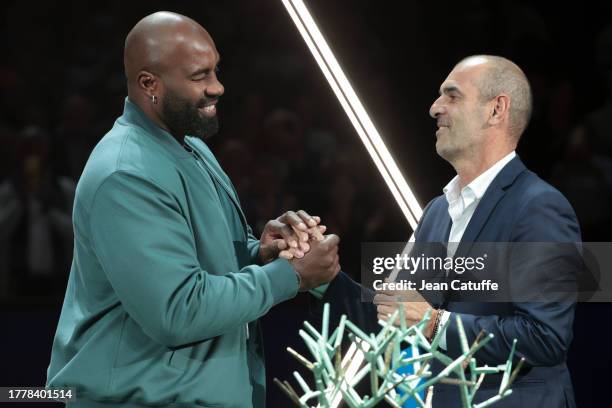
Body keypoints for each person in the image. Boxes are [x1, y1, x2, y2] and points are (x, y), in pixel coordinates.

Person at [46, 11, 340, 408]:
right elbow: (178, 310)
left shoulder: (193, 147)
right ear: (149, 84)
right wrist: (289, 276)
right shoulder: (125, 174)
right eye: (200, 76)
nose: (218, 87)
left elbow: (199, 265)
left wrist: (259, 251)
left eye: (216, 70)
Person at [317, 55, 580, 407]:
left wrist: (436, 324)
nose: (434, 108)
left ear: (496, 110)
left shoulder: (540, 207)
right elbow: (393, 315)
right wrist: (321, 276)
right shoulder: (438, 211)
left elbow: (544, 338)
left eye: (452, 96)